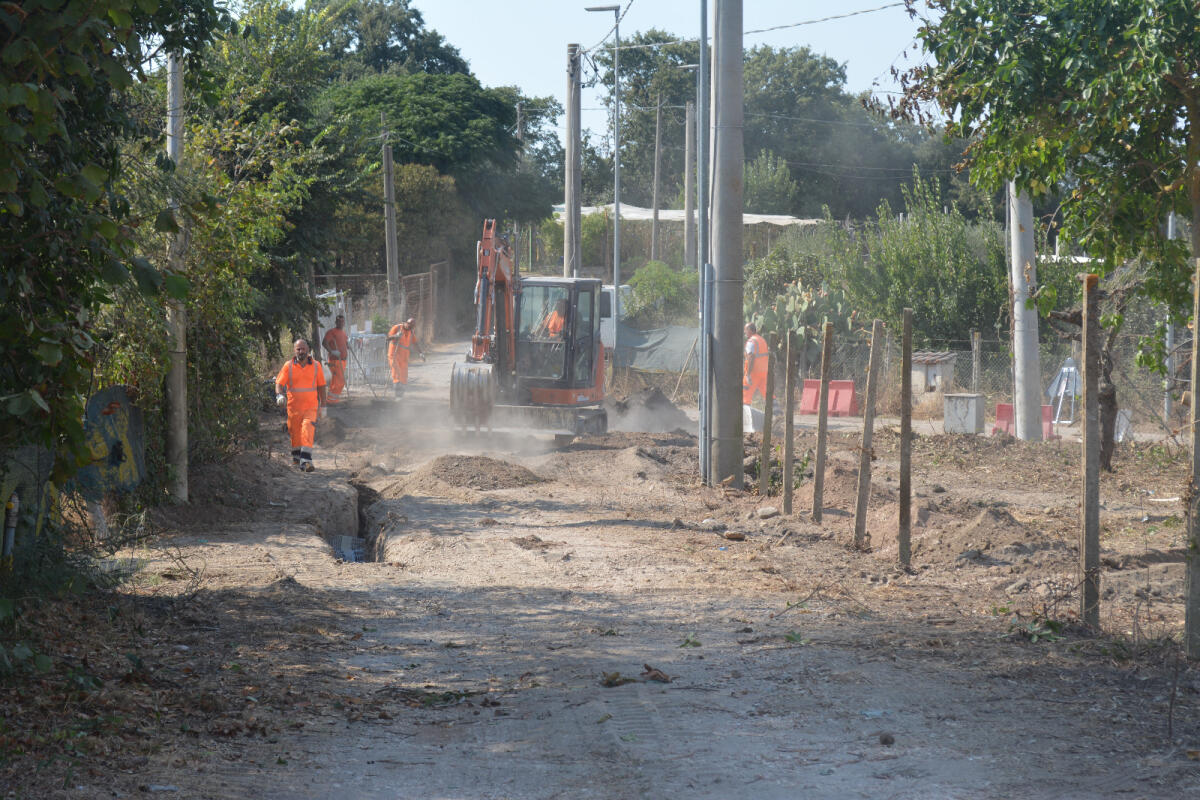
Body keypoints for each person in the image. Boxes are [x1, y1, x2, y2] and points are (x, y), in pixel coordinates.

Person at [275, 338, 327, 471]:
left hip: (311, 407)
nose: (301, 351)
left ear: (308, 350)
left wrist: (324, 406)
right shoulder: (288, 366)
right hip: (293, 408)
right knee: (295, 434)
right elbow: (279, 384)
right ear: (294, 350)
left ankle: (306, 460)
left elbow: (321, 386)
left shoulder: (316, 366)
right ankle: (297, 458)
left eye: (303, 349)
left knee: (307, 430)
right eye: (298, 349)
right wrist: (279, 395)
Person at [386, 317, 426, 397]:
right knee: (397, 374)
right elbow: (387, 338)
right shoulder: (397, 328)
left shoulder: (411, 332)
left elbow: (415, 343)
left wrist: (421, 353)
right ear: (406, 323)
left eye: (412, 327)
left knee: (404, 377)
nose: (410, 328)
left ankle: (401, 397)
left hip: (404, 358)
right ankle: (397, 396)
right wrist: (396, 336)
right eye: (410, 326)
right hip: (394, 355)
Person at [321, 314, 349, 405]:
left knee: (339, 381)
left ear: (344, 322)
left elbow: (344, 344)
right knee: (338, 381)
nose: (341, 323)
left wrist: (349, 346)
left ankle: (333, 400)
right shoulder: (331, 332)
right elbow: (324, 343)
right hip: (335, 361)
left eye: (342, 321)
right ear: (336, 322)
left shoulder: (343, 333)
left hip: (343, 361)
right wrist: (332, 351)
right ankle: (331, 401)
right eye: (339, 321)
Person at [743, 323, 769, 405]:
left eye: (745, 330)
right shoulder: (761, 340)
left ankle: (745, 415)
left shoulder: (751, 342)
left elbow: (751, 358)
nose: (744, 332)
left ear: (750, 330)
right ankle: (778, 413)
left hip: (754, 372)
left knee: (745, 393)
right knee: (767, 393)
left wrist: (748, 374)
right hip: (764, 372)